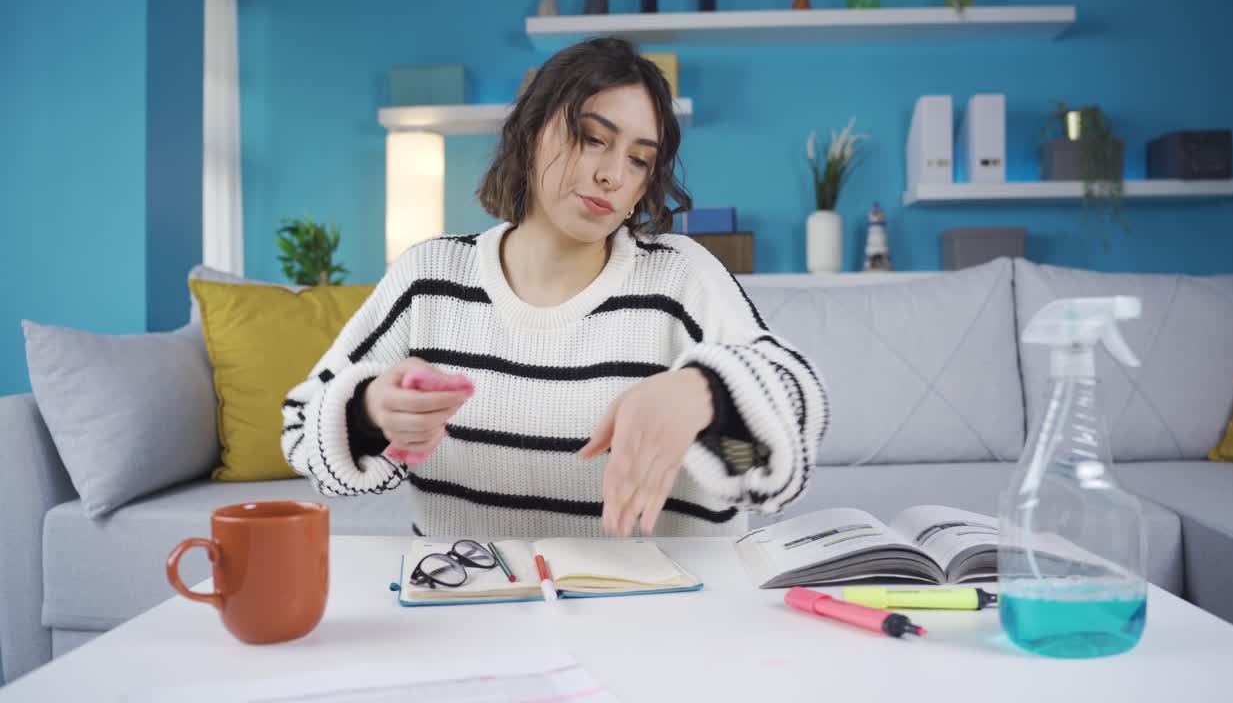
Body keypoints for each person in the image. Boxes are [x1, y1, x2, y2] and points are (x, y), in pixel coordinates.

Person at [281, 37, 828, 539]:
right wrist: (370, 410)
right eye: (593, 139)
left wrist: (707, 394)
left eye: (639, 159)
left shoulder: (681, 277)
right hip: (469, 608)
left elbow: (787, 442)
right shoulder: (429, 279)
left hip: (660, 619)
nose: (614, 174)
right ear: (531, 131)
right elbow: (302, 432)